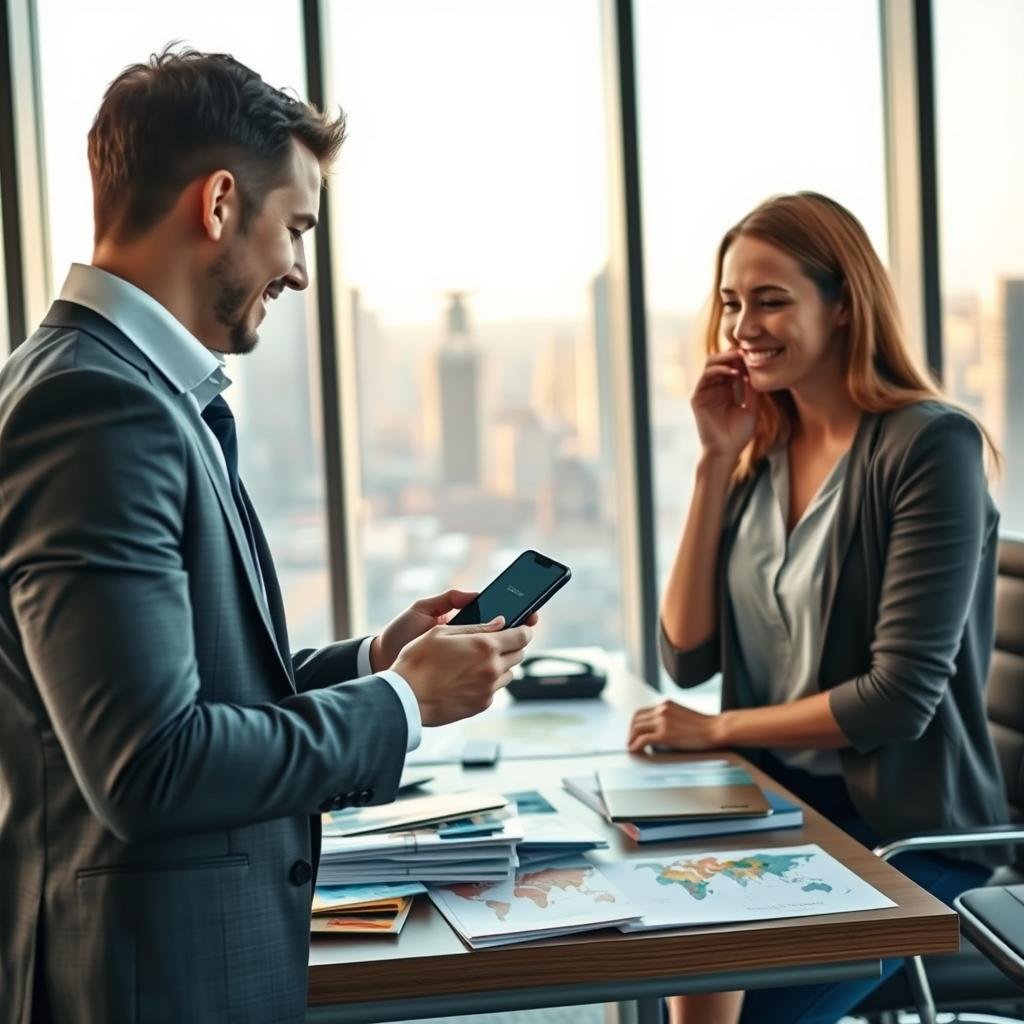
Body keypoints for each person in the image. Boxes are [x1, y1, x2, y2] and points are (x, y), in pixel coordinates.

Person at [0, 47, 536, 1024]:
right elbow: (150, 764)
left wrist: (375, 658)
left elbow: (191, 689)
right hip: (145, 984)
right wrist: (403, 703)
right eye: (295, 227)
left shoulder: (132, 390)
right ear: (216, 206)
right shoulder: (96, 406)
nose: (297, 267)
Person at [627, 192, 1008, 1024]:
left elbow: (898, 699)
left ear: (843, 306)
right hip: (777, 812)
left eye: (771, 300)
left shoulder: (928, 447)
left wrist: (715, 730)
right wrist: (712, 463)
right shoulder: (762, 448)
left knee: (749, 1009)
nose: (742, 327)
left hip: (905, 834)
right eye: (731, 302)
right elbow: (687, 655)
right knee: (648, 952)